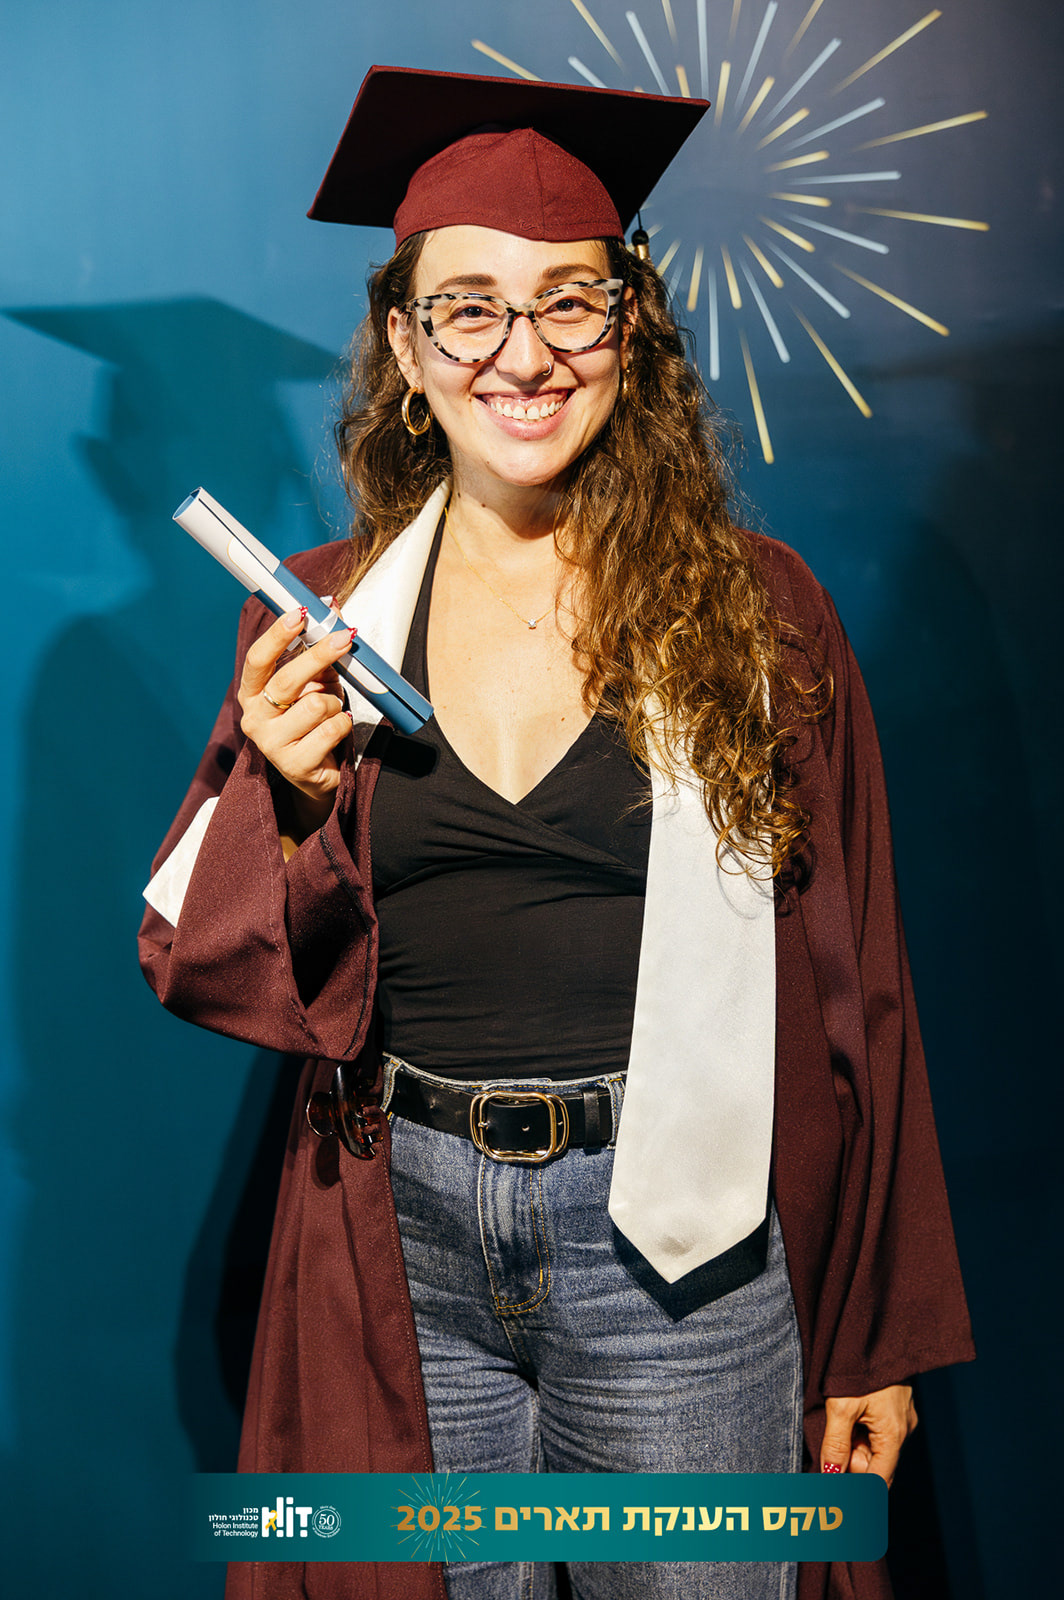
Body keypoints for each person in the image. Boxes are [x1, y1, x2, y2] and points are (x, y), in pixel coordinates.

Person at [139, 66, 973, 1600]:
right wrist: (282, 795)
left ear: (628, 327)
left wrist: (878, 1329)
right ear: (406, 345)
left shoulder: (758, 612)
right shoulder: (318, 621)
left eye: (569, 303)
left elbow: (864, 991)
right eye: (467, 310)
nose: (522, 354)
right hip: (403, 1252)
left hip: (682, 1255)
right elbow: (198, 956)